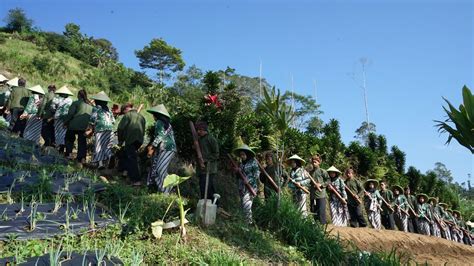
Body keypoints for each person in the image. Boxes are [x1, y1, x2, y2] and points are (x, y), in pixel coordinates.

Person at [146, 104, 176, 191]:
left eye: (154, 114)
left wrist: (152, 146)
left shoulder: (159, 122)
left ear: (157, 115)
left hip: (166, 148)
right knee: (161, 169)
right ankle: (168, 188)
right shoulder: (168, 124)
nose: (153, 116)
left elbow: (160, 136)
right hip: (170, 148)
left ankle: (167, 190)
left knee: (160, 170)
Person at [117, 103, 146, 185]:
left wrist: (120, 141)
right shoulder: (142, 117)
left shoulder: (127, 115)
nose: (123, 114)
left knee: (131, 158)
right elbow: (143, 130)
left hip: (131, 139)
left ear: (125, 109)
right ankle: (125, 172)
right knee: (127, 154)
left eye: (123, 112)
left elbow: (120, 128)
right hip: (139, 140)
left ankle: (136, 180)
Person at [63, 89, 93, 163]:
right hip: (84, 126)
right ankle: (82, 158)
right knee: (82, 142)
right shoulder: (90, 106)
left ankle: (69, 154)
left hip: (73, 124)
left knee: (69, 139)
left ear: (79, 95)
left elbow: (70, 114)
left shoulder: (76, 103)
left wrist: (65, 122)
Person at [233, 144, 259, 224]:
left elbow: (257, 174)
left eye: (243, 154)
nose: (242, 156)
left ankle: (248, 223)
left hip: (251, 187)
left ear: (247, 154)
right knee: (242, 203)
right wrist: (237, 171)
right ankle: (244, 221)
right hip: (242, 186)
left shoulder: (253, 162)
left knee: (246, 203)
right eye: (241, 155)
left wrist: (249, 180)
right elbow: (239, 175)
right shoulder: (241, 164)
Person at [89, 91, 115, 169]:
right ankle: (110, 155)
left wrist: (90, 128)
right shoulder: (109, 110)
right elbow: (113, 121)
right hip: (110, 130)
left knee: (98, 146)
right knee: (106, 146)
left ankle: (100, 164)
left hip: (100, 129)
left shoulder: (96, 108)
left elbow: (92, 119)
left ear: (97, 101)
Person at [195, 121, 219, 201]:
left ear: (204, 130)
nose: (198, 132)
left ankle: (213, 205)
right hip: (201, 170)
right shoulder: (198, 140)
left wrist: (204, 159)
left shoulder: (211, 139)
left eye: (200, 130)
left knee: (208, 189)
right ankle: (208, 205)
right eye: (197, 130)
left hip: (209, 169)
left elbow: (216, 154)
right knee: (203, 188)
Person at [51, 86, 74, 154]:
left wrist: (56, 111)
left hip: (57, 117)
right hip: (66, 118)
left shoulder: (56, 99)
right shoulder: (70, 100)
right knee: (63, 133)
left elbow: (52, 108)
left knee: (57, 132)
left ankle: (57, 147)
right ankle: (61, 148)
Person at [308, 154, 329, 224]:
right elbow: (309, 182)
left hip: (321, 195)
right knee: (313, 210)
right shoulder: (310, 172)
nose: (314, 163)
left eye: (315, 162)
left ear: (319, 162)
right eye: (313, 162)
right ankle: (315, 226)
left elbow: (328, 181)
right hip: (312, 195)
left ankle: (323, 227)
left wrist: (321, 185)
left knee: (321, 212)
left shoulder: (322, 171)